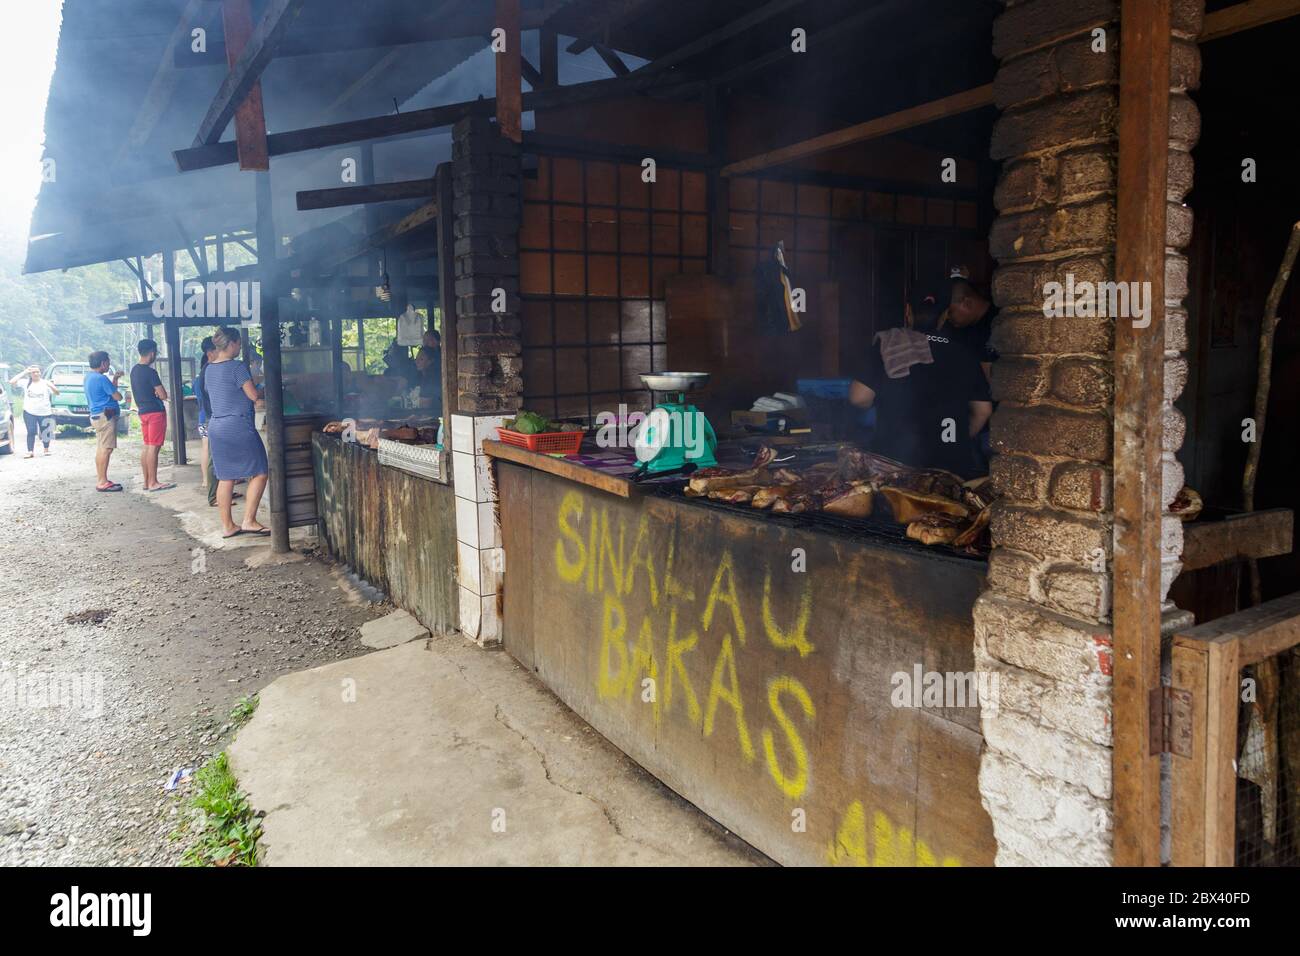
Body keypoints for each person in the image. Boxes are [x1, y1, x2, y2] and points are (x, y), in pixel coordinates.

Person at [848, 288, 993, 478]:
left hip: (895, 467)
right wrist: (958, 438)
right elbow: (984, 411)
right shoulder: (965, 353)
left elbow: (858, 398)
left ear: (908, 312)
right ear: (944, 316)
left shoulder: (890, 346)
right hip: (951, 468)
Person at [205, 326, 269, 538]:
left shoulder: (209, 368)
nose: (240, 347)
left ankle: (228, 526)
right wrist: (265, 388)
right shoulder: (237, 367)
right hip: (238, 425)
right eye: (239, 343)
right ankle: (249, 520)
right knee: (260, 470)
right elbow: (252, 396)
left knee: (226, 477)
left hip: (216, 425)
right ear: (231, 343)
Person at [129, 339, 174, 491]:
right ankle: (154, 482)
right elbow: (162, 394)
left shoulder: (134, 370)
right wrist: (158, 393)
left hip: (142, 412)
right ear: (152, 353)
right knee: (154, 448)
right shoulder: (150, 372)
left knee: (147, 446)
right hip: (155, 412)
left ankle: (146, 481)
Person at [85, 351, 125, 492]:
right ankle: (102, 481)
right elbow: (117, 396)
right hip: (105, 416)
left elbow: (109, 391)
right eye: (108, 361)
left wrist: (115, 378)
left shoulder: (90, 377)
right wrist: (117, 390)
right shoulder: (101, 379)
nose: (109, 364)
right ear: (103, 363)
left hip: (96, 416)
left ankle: (102, 479)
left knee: (101, 448)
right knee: (106, 449)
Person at [8, 365, 58, 457]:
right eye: (33, 372)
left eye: (37, 371)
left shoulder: (45, 383)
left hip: (45, 411)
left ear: (40, 373)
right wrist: (25, 371)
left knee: (45, 431)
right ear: (30, 374)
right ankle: (30, 451)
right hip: (29, 411)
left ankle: (46, 449)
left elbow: (57, 393)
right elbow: (12, 382)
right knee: (31, 431)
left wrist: (53, 386)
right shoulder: (26, 382)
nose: (35, 373)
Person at [414, 345, 442, 416]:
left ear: (430, 361)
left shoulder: (431, 379)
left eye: (421, 359)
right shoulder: (421, 376)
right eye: (416, 358)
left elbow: (425, 406)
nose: (417, 361)